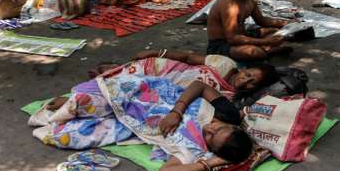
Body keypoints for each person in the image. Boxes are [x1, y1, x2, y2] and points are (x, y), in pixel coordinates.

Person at [29, 74, 253, 171]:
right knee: (85, 101)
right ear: (230, 125)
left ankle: (71, 110)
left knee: (65, 137)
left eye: (210, 137)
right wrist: (177, 110)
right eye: (219, 128)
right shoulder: (227, 114)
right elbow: (199, 85)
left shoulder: (195, 149)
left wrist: (208, 164)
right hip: (142, 95)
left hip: (132, 124)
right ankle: (73, 103)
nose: (210, 128)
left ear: (212, 150)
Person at [47, 49, 278, 111]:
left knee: (125, 91)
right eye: (248, 75)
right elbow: (187, 57)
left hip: (163, 91)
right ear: (245, 69)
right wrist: (154, 53)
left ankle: (107, 75)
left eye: (252, 83)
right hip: (164, 69)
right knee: (117, 77)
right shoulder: (224, 64)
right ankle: (73, 97)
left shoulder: (230, 97)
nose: (245, 81)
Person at [207, 0, 292, 61]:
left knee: (278, 33)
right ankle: (267, 50)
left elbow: (262, 20)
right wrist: (265, 41)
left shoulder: (250, 0)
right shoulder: (230, 6)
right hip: (222, 44)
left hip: (243, 36)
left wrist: (286, 23)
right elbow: (232, 38)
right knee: (253, 52)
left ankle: (265, 49)